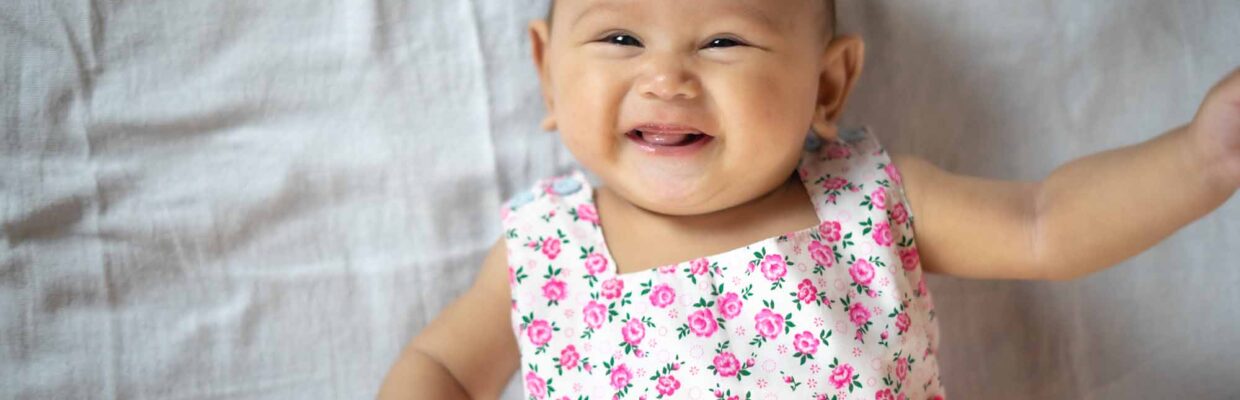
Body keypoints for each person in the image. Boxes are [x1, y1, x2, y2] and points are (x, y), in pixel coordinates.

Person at [379, 1, 1239, 398]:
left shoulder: (869, 201)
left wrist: (1202, 158)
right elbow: (445, 369)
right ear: (547, 72)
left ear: (827, 84)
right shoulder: (548, 249)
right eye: (619, 36)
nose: (666, 76)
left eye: (722, 39)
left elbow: (1045, 225)